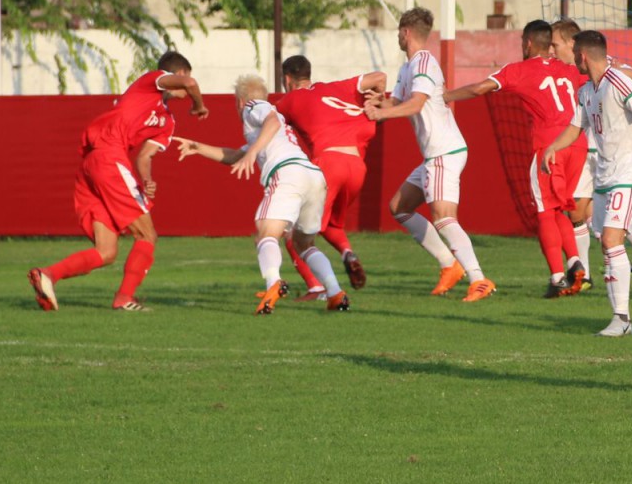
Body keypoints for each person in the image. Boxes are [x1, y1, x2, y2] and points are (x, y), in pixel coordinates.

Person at [28, 51, 208, 312]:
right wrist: (198, 105)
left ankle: (47, 275)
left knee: (106, 252)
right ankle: (125, 297)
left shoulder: (167, 121)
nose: (188, 83)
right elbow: (190, 84)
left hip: (96, 165)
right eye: (185, 75)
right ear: (177, 74)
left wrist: (147, 179)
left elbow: (144, 156)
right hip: (108, 158)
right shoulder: (152, 81)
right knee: (147, 234)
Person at [541, 30, 632, 336]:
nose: (572, 60)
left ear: (582, 56)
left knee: (610, 240)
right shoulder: (585, 91)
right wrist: (553, 147)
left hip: (629, 174)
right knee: (606, 244)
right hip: (605, 176)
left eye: (574, 55)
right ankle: (620, 319)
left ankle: (622, 319)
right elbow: (575, 127)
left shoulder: (618, 81)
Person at [174, 75, 350, 313]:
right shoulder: (264, 132)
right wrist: (198, 147)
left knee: (265, 234)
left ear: (240, 101)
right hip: (313, 177)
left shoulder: (253, 107)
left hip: (288, 174)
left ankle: (273, 283)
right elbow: (235, 155)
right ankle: (335, 292)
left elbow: (271, 122)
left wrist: (252, 152)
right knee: (304, 243)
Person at [445, 20, 589, 298]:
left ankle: (557, 277)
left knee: (544, 211)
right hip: (577, 143)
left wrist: (447, 96)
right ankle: (574, 261)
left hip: (550, 146)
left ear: (527, 43)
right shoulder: (569, 69)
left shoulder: (519, 70)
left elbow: (479, 88)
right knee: (557, 209)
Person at [364, 7, 496, 302]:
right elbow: (398, 102)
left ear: (406, 32)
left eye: (399, 32)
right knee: (400, 207)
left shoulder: (423, 62)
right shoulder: (407, 67)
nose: (398, 37)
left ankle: (478, 279)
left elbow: (415, 104)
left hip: (443, 151)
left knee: (444, 217)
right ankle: (450, 266)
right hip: (435, 155)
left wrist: (381, 115)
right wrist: (379, 103)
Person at [550, 18, 632, 289]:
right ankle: (588, 273)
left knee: (606, 211)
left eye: (555, 44)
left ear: (573, 45)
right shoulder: (565, 72)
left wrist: (613, 72)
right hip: (585, 144)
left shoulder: (600, 66)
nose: (552, 50)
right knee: (581, 211)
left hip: (608, 152)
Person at [276, 56, 387, 299]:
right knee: (330, 225)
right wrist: (377, 99)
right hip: (356, 166)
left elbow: (269, 123)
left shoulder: (290, 100)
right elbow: (380, 77)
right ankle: (348, 253)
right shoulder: (338, 87)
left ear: (287, 79)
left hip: (329, 163)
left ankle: (319, 287)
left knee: (294, 232)